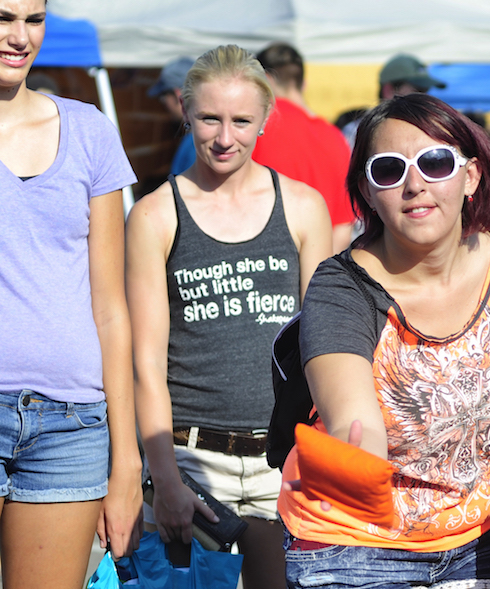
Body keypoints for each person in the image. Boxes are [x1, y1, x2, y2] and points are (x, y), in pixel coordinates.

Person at [277, 93, 490, 588]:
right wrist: (356, 460)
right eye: (389, 170)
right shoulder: (341, 288)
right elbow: (355, 422)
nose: (415, 185)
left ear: (471, 176)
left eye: (435, 163)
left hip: (486, 537)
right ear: (368, 193)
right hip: (357, 548)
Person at [126, 45, 332, 589]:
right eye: (209, 118)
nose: (224, 137)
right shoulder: (155, 214)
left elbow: (324, 348)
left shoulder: (304, 207)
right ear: (184, 110)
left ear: (265, 119)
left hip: (281, 462)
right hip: (190, 463)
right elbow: (146, 362)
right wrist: (165, 478)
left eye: (241, 120)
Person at [0, 1, 143, 587]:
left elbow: (111, 307)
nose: (19, 36)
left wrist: (127, 460)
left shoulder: (88, 129)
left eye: (33, 19)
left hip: (72, 426)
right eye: (3, 17)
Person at [252, 42, 355, 253]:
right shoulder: (336, 136)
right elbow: (344, 225)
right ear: (303, 84)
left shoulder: (255, 127)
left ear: (266, 82)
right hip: (322, 268)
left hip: (266, 263)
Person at [338, 53, 446, 148]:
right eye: (418, 91)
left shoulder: (426, 129)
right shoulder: (356, 132)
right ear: (389, 90)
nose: (424, 99)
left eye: (425, 92)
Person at [148, 56, 196, 175]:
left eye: (163, 96)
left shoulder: (197, 143)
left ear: (177, 94)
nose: (164, 103)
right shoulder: (204, 138)